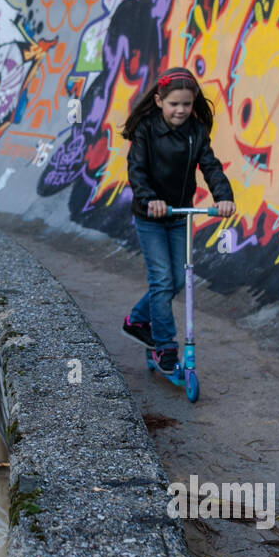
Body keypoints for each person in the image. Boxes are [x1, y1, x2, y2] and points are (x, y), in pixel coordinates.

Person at [121, 66, 235, 373]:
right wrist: (149, 199)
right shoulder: (146, 129)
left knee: (176, 280)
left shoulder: (196, 132)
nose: (181, 110)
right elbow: (137, 171)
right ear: (159, 101)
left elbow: (211, 167)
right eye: (174, 104)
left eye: (186, 104)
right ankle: (166, 345)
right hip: (151, 216)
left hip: (180, 214)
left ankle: (135, 319)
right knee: (162, 280)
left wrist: (224, 197)